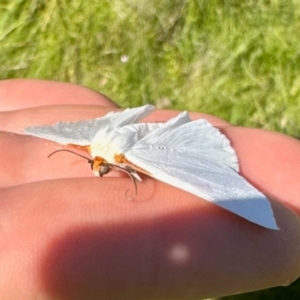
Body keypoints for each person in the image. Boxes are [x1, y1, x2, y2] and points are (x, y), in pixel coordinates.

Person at [0, 79, 299, 300]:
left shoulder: (115, 157)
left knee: (188, 178)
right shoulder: (93, 148)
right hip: (116, 136)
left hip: (139, 146)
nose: (101, 171)